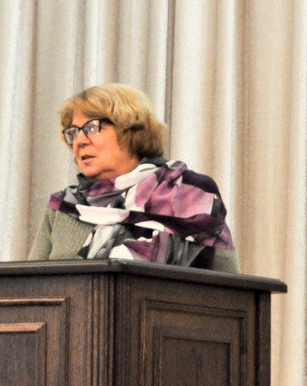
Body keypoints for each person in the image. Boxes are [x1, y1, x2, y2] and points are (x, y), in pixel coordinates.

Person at [28, 83, 238, 272]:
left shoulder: (190, 194)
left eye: (91, 127)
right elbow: (31, 288)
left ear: (130, 131)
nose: (79, 141)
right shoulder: (63, 206)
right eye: (73, 132)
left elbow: (228, 289)